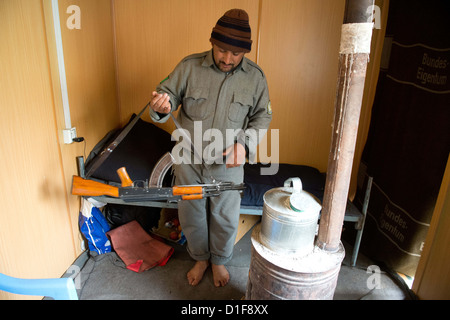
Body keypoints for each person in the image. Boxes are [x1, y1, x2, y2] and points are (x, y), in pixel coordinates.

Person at [149, 9, 272, 287]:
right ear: (211, 42)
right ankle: (201, 258)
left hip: (228, 162)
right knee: (190, 212)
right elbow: (164, 98)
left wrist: (245, 144)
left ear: (244, 53)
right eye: (221, 49)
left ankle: (219, 261)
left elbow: (262, 116)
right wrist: (160, 106)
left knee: (225, 216)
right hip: (189, 159)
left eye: (236, 54)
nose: (227, 59)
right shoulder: (188, 66)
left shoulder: (255, 77)